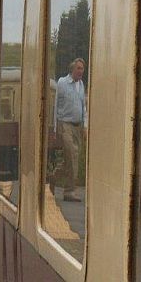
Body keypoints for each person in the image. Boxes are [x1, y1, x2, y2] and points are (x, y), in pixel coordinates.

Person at [54, 57, 87, 202]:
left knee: (72, 158)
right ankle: (70, 191)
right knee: (72, 154)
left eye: (82, 69)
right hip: (65, 124)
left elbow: (83, 107)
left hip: (77, 126)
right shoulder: (62, 83)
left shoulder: (81, 84)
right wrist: (55, 129)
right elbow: (56, 105)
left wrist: (85, 126)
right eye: (79, 68)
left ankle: (53, 177)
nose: (81, 71)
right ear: (72, 69)